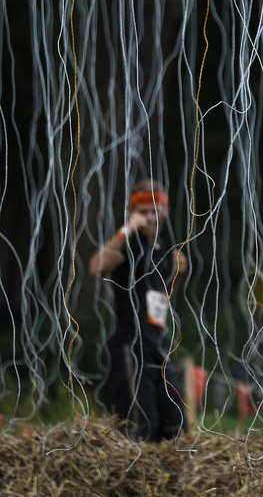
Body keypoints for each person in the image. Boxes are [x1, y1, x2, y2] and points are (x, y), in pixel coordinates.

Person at [89, 179, 189, 442]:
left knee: (175, 420)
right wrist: (127, 229)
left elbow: (158, 300)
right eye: (143, 211)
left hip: (157, 343)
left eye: (155, 210)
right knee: (141, 424)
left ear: (165, 212)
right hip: (130, 346)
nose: (149, 217)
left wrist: (175, 277)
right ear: (133, 212)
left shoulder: (164, 250)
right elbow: (96, 266)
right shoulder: (127, 244)